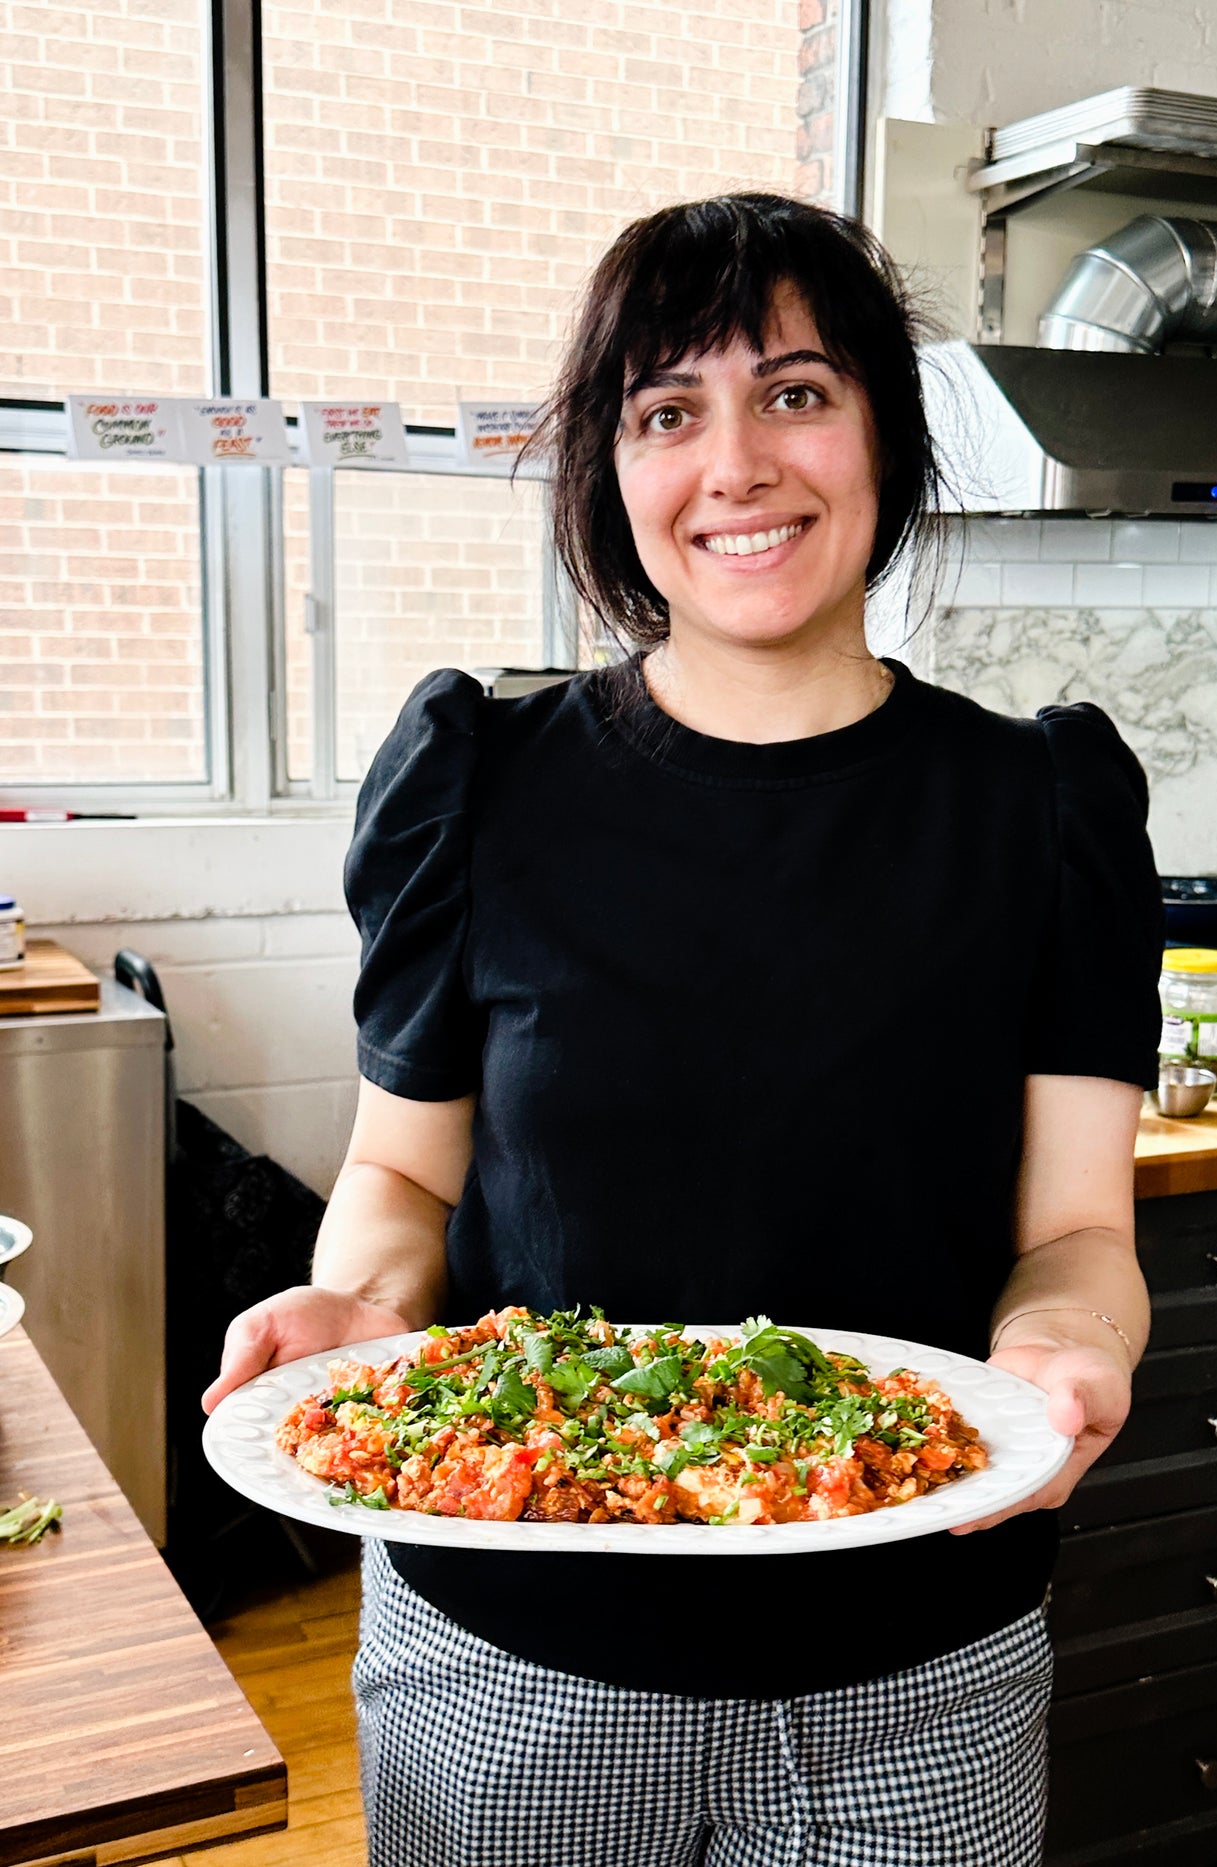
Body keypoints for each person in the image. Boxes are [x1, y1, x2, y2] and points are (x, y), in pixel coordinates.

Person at [205, 192, 1163, 1867]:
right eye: (668, 409)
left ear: (884, 433)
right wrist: (358, 1301)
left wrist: (1074, 1345)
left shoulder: (1042, 806)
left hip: (922, 1668)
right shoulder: (479, 786)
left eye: (796, 391)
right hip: (515, 1669)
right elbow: (406, 1181)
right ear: (611, 473)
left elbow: (1076, 1228)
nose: (736, 464)